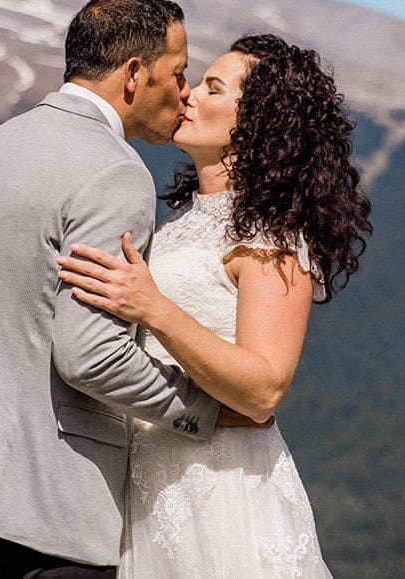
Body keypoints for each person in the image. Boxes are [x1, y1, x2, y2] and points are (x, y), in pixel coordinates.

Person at [0, 0, 257, 578]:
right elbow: (90, 357)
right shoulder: (113, 172)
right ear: (133, 75)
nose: (184, 94)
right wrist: (202, 409)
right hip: (53, 503)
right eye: (177, 74)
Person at [56, 33, 372, 577]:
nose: (188, 95)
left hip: (224, 493)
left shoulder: (272, 235)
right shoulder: (178, 224)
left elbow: (265, 388)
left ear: (259, 124)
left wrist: (154, 309)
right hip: (146, 487)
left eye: (212, 87)